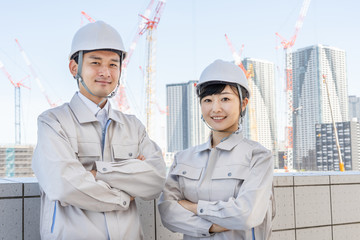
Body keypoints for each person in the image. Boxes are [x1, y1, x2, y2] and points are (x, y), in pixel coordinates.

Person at [32, 21, 166, 240]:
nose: (105, 72)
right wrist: (126, 192)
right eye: (95, 62)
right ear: (74, 68)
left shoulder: (133, 126)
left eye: (113, 64)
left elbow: (156, 180)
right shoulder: (53, 122)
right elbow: (63, 185)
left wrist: (96, 174)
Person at [158, 59, 274, 239]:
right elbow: (167, 212)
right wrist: (212, 226)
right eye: (207, 100)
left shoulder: (258, 156)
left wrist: (194, 207)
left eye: (225, 99)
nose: (215, 108)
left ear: (243, 104)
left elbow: (247, 214)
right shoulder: (183, 158)